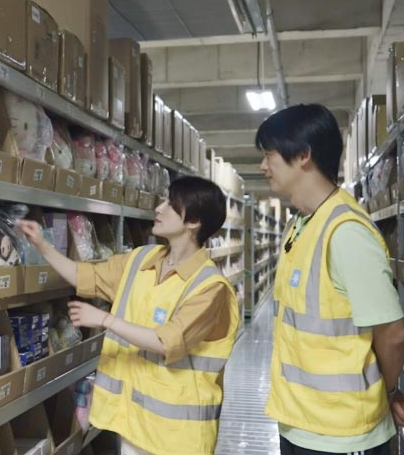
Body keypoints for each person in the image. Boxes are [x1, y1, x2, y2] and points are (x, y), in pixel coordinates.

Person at [17, 176, 239, 455]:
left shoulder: (210, 287)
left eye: (170, 204)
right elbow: (85, 275)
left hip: (179, 436)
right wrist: (42, 245)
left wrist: (104, 320)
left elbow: (165, 341)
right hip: (134, 424)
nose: (158, 208)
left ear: (193, 221)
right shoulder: (141, 260)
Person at [255, 104, 404, 455]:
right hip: (299, 422)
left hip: (343, 432)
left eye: (269, 155)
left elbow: (393, 332)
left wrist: (386, 392)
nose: (263, 166)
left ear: (303, 155)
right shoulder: (300, 225)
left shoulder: (346, 232)